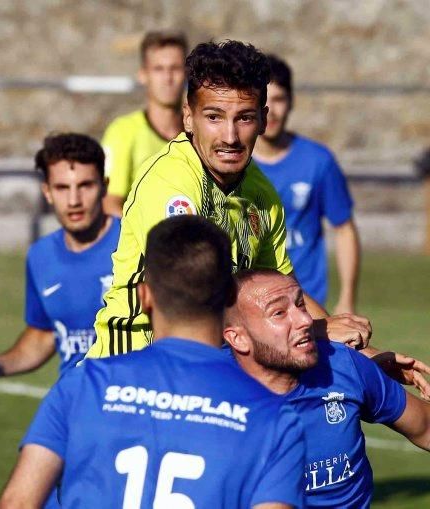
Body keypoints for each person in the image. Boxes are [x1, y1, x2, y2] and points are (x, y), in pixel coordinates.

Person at [86, 39, 371, 360]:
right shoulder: (172, 184)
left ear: (263, 119)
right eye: (214, 117)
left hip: (204, 362)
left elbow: (282, 289)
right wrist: (316, 330)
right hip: (132, 367)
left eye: (245, 118)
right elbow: (191, 305)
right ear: (188, 117)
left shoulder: (261, 193)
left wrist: (368, 357)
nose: (230, 137)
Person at [0, 216, 307, 509]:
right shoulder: (275, 419)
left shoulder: (82, 385)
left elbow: (18, 502)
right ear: (228, 295)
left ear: (144, 296)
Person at [224, 269, 430, 507]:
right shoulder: (211, 397)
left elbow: (424, 426)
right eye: (279, 313)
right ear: (237, 338)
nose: (306, 320)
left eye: (301, 305)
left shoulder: (343, 364)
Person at [0, 133, 119, 393]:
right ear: (47, 192)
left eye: (85, 185)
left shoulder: (135, 245)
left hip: (128, 400)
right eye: (62, 188)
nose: (74, 200)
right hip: (73, 398)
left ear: (104, 186)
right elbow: (45, 335)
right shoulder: (41, 255)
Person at [253, 54, 361, 313]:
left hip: (307, 303)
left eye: (279, 99)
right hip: (253, 304)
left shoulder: (318, 161)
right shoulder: (234, 163)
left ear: (291, 102)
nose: (272, 110)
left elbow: (344, 229)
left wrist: (346, 298)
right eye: (264, 100)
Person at [101, 31, 187, 217]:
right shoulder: (122, 132)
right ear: (143, 75)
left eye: (175, 68)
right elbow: (109, 205)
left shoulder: (200, 132)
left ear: (187, 73)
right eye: (158, 69)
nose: (168, 78)